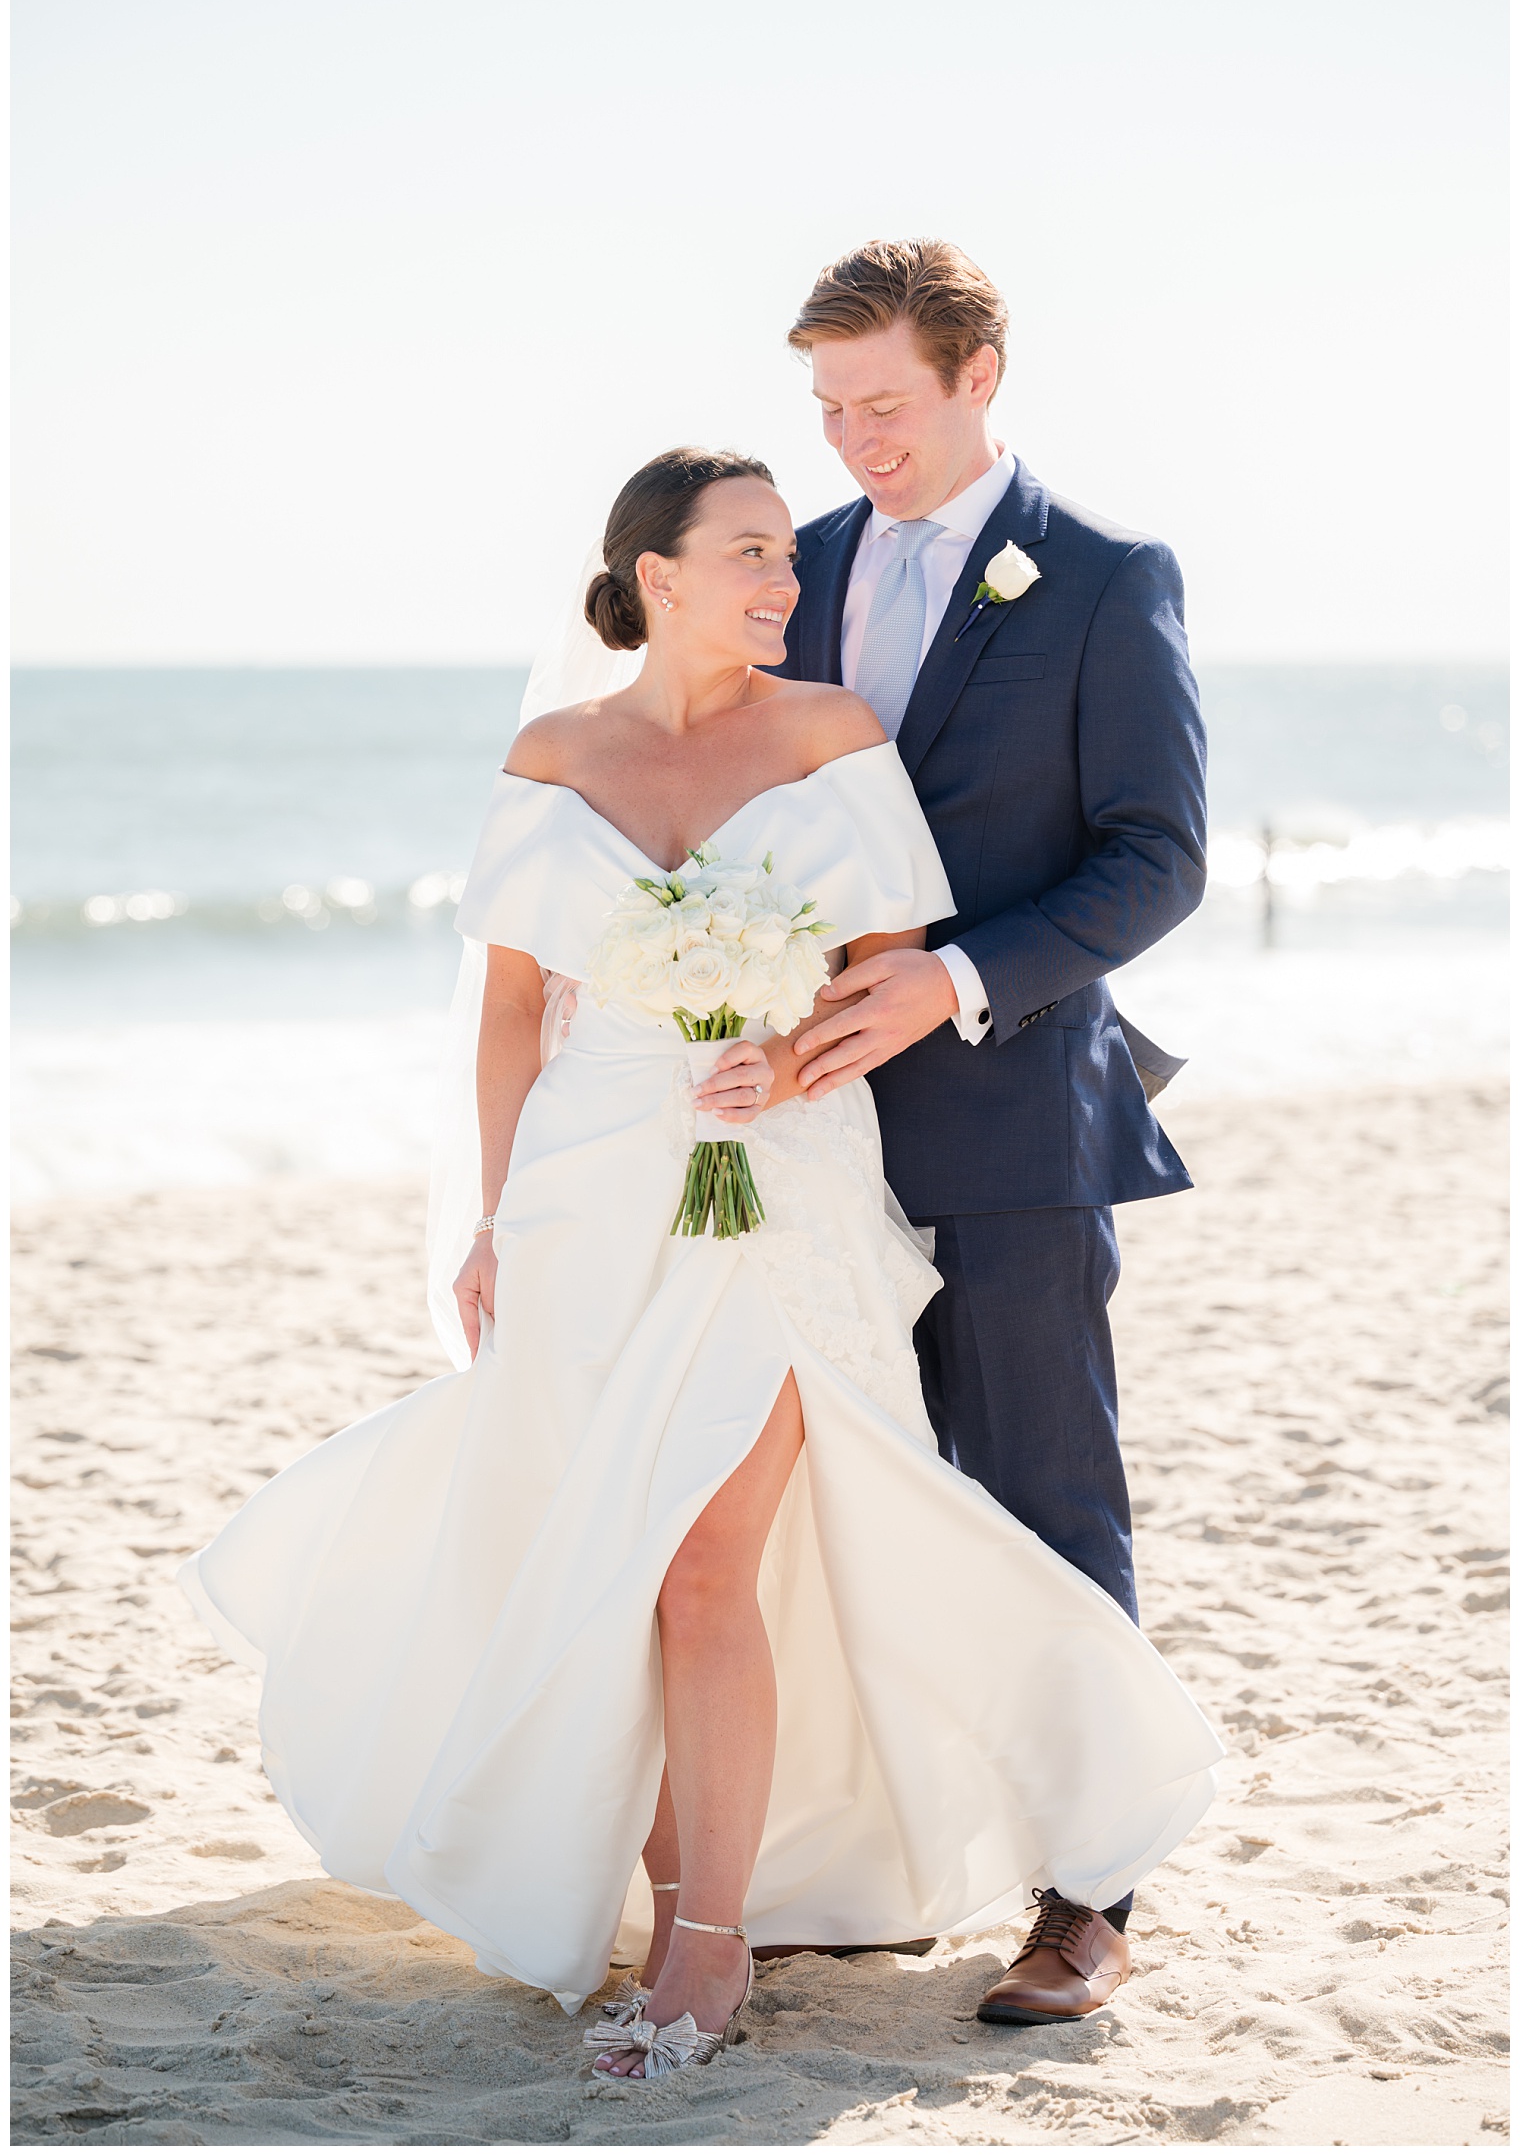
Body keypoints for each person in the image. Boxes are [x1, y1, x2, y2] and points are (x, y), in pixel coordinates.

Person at [180, 447, 1219, 2081]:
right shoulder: (551, 752)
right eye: (749, 554)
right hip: (593, 1187)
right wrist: (495, 1215)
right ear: (654, 577)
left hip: (781, 1178)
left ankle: (708, 1946)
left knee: (704, 1564)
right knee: (614, 1549)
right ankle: (686, 1900)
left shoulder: (830, 736)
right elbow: (516, 1007)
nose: (785, 582)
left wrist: (793, 1055)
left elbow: (885, 970)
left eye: (786, 559)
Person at [779, 238, 1208, 2025]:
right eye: (828, 409)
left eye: (884, 401)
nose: (855, 439)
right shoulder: (783, 567)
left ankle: (1088, 1893)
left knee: (1042, 1487)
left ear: (979, 375)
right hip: (802, 1129)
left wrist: (951, 979)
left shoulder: (1108, 579)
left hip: (1019, 1107)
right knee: (844, 1494)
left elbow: (1160, 858)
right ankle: (874, 1855)